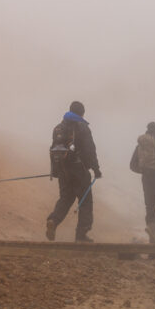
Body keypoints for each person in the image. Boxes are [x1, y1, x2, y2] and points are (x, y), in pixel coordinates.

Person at [46, 101, 102, 242]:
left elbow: (54, 149)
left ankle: (53, 220)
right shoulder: (82, 127)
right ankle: (81, 235)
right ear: (81, 113)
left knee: (65, 198)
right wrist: (96, 169)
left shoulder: (58, 128)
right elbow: (90, 150)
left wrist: (56, 172)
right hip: (79, 171)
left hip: (63, 171)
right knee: (85, 202)